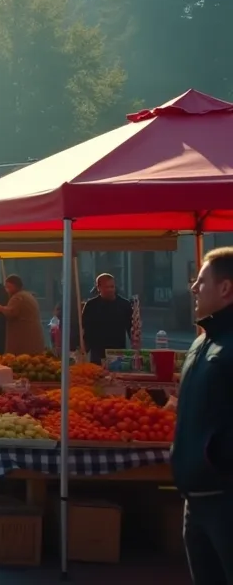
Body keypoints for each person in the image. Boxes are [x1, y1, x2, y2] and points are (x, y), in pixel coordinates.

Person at [169, 247, 233, 583]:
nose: (193, 287)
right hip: (195, 499)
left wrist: (216, 461)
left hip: (224, 498)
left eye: (201, 280)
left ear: (225, 289)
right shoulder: (201, 342)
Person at [82, 273, 135, 363]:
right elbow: (85, 329)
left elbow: (131, 328)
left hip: (118, 352)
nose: (110, 290)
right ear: (98, 288)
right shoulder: (91, 305)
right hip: (98, 354)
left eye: (112, 286)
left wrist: (135, 345)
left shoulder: (124, 305)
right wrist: (84, 349)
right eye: (106, 287)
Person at [0, 275, 44, 354]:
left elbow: (12, 312)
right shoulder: (27, 295)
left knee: (21, 359)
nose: (7, 290)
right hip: (32, 335)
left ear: (15, 286)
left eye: (8, 287)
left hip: (23, 336)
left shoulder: (18, 297)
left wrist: (1, 308)